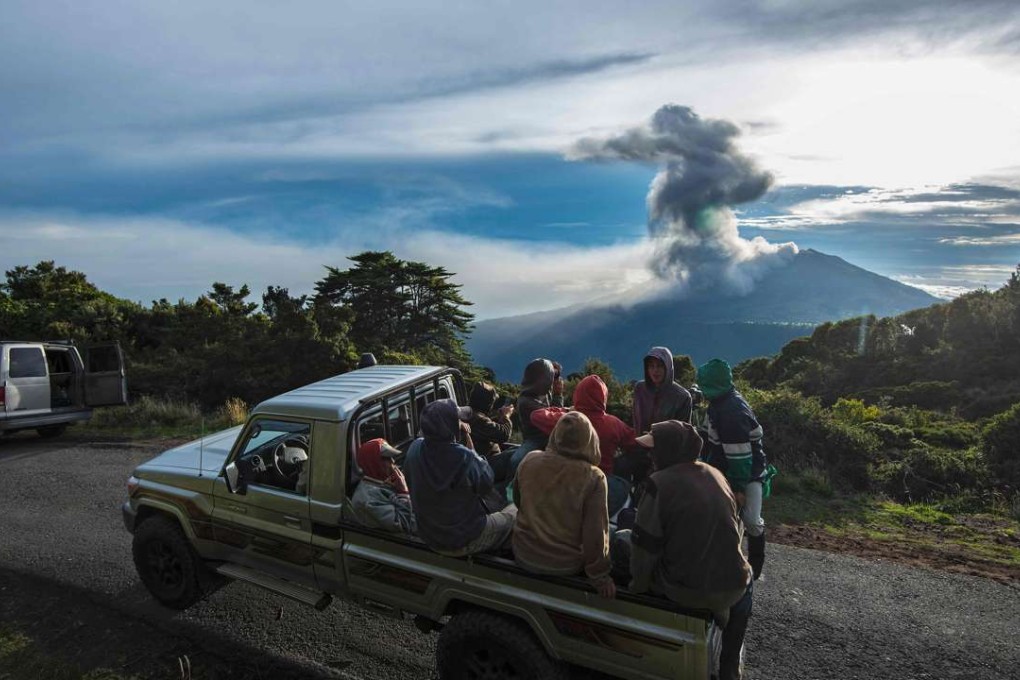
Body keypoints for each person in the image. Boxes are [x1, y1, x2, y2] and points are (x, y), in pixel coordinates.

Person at [627, 420, 752, 680]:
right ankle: (730, 667)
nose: (649, 455)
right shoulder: (715, 474)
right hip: (737, 585)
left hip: (687, 590)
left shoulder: (658, 483)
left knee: (624, 536)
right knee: (742, 579)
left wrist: (637, 588)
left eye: (654, 450)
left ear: (669, 452)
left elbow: (645, 548)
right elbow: (734, 530)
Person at [512, 411, 616, 599]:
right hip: (564, 565)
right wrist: (600, 576)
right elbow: (596, 535)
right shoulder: (594, 477)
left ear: (556, 434)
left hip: (523, 554)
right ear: (590, 438)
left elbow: (518, 502)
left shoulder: (530, 459)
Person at [403, 399, 517, 556]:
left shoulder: (415, 448)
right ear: (450, 426)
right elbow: (486, 482)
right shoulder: (464, 456)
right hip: (463, 539)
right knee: (515, 511)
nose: (460, 422)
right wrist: (470, 447)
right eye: (456, 419)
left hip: (429, 535)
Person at [696, 359, 768, 581]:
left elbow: (741, 458)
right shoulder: (719, 404)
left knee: (752, 521)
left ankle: (754, 568)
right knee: (725, 519)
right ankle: (727, 564)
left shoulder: (732, 412)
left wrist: (738, 489)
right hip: (725, 470)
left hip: (748, 472)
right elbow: (707, 435)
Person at [530, 374, 639, 516]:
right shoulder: (614, 424)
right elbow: (634, 440)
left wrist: (567, 410)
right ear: (603, 397)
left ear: (578, 394)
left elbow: (536, 415)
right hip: (599, 480)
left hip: (566, 479)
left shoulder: (566, 421)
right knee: (623, 484)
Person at [622, 347, 694, 484]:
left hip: (666, 460)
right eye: (651, 366)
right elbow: (635, 419)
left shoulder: (682, 397)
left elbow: (682, 434)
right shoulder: (640, 389)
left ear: (668, 367)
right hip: (640, 453)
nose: (655, 371)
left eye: (660, 366)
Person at [508, 358, 565, 478]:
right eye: (550, 376)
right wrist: (558, 395)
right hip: (535, 440)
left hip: (552, 437)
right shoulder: (525, 401)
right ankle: (513, 487)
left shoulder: (542, 391)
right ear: (542, 379)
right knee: (516, 460)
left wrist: (552, 372)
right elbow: (553, 418)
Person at [350, 438, 417, 534]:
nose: (393, 461)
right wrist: (403, 492)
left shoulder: (382, 480)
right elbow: (404, 524)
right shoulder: (368, 501)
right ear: (373, 463)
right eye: (387, 458)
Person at [466, 381, 515, 481]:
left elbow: (488, 427)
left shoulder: (469, 414)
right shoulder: (479, 420)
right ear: (488, 403)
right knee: (517, 454)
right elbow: (504, 434)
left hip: (480, 462)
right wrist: (506, 416)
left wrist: (498, 416)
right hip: (486, 465)